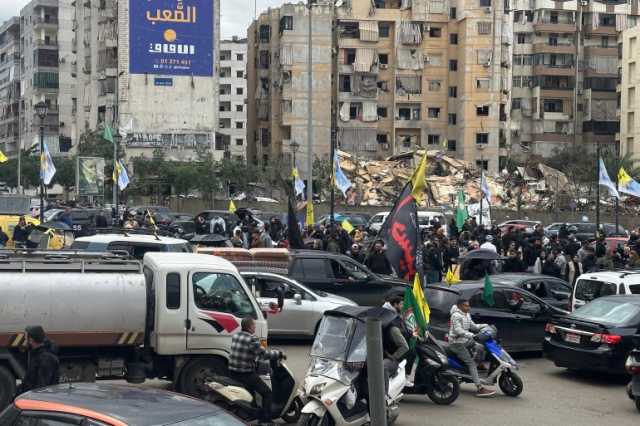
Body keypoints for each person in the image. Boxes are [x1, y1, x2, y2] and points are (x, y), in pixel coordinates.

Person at [228, 317, 279, 425]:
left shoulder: (236, 335)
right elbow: (264, 354)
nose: (255, 327)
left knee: (252, 391)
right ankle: (265, 420)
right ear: (250, 327)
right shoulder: (251, 339)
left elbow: (247, 352)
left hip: (232, 372)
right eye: (254, 325)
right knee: (267, 393)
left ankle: (253, 413)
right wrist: (278, 353)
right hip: (245, 373)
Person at [448, 299, 496, 397]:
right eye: (466, 306)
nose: (468, 307)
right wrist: (472, 335)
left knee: (481, 347)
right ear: (460, 306)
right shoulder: (455, 315)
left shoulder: (467, 314)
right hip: (456, 343)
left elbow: (474, 327)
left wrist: (485, 326)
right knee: (471, 363)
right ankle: (479, 388)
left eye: (468, 305)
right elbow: (458, 330)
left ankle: (479, 365)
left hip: (465, 340)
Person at [382, 294, 415, 387]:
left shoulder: (394, 314)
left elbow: (402, 328)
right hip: (390, 351)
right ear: (395, 304)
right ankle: (404, 377)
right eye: (401, 304)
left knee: (412, 352)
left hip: (392, 346)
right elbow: (398, 330)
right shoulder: (390, 317)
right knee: (411, 352)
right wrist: (393, 357)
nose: (402, 306)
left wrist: (410, 333)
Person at [17, 326, 59, 394]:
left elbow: (42, 387)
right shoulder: (37, 355)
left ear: (31, 340)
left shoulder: (46, 359)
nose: (25, 341)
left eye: (26, 338)